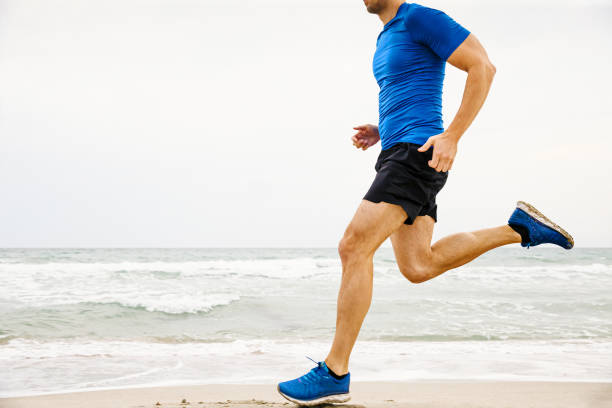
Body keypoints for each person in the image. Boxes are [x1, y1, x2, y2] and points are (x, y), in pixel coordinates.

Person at [277, 0, 574, 405]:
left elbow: (482, 67)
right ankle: (520, 227)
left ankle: (335, 371)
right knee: (418, 266)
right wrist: (382, 128)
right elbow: (414, 89)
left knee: (353, 246)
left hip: (417, 154)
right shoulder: (387, 35)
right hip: (399, 151)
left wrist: (453, 135)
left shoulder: (419, 17)